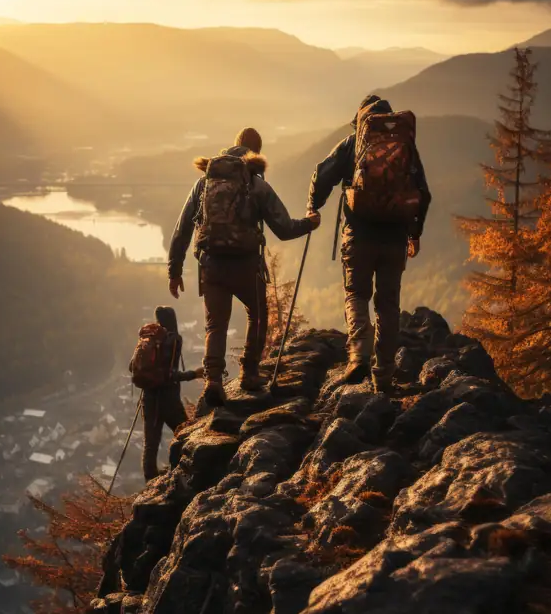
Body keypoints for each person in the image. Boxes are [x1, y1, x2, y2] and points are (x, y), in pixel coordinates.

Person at [168, 127, 321, 405]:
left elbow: (182, 230)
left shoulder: (204, 182)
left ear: (232, 147)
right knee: (258, 314)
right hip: (245, 265)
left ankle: (213, 381)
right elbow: (284, 228)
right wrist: (309, 223)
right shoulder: (256, 183)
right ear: (256, 152)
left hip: (211, 266)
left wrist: (174, 271)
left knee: (215, 324)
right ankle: (250, 372)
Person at [307, 95, 431, 393]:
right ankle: (383, 376)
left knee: (356, 294)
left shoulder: (353, 143)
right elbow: (424, 193)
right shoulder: (405, 147)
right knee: (387, 305)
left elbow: (323, 174)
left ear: (361, 120)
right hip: (395, 237)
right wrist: (415, 233)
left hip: (359, 235)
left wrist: (314, 205)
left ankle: (358, 355)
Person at [130, 305, 202, 482]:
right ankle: (189, 469)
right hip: (168, 399)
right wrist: (194, 374)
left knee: (151, 444)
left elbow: (132, 367)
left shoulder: (148, 339)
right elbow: (170, 375)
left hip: (149, 398)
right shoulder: (173, 340)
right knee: (186, 433)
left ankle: (150, 480)